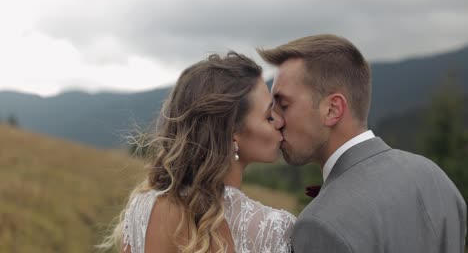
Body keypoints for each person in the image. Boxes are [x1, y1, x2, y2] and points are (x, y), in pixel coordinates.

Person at [257, 34, 467, 252]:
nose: (275, 119)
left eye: (283, 105)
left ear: (332, 109)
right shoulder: (436, 178)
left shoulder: (320, 223)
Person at [99, 51, 295, 253]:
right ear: (231, 133)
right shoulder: (273, 229)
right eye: (268, 116)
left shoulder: (143, 210)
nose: (279, 122)